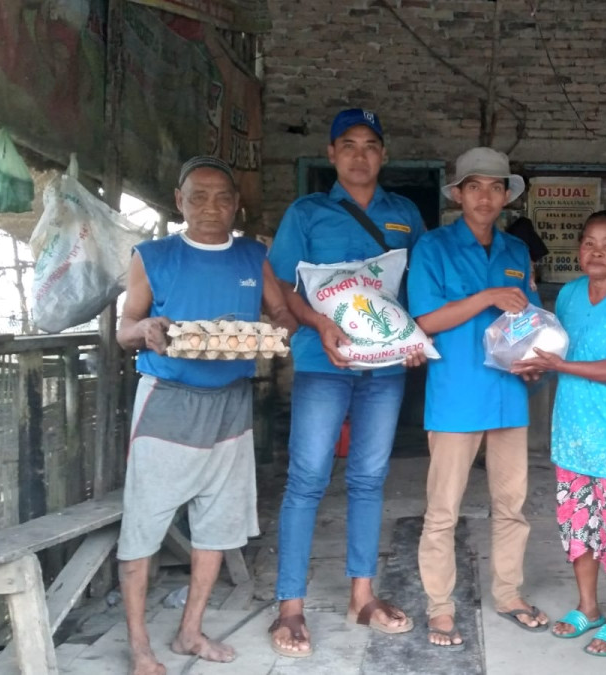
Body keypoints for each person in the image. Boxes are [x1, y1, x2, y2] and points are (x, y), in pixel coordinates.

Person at [116, 156, 297, 675]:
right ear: (179, 201)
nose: (211, 208)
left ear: (237, 204)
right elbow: (125, 327)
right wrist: (146, 330)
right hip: (168, 401)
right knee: (144, 525)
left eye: (222, 198)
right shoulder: (153, 256)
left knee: (217, 523)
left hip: (231, 402)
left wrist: (281, 330)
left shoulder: (251, 255)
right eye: (198, 197)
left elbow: (280, 310)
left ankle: (191, 631)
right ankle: (140, 648)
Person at [266, 108, 426, 658]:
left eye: (371, 145)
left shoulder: (405, 214)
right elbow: (283, 287)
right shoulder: (307, 212)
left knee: (368, 479)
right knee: (307, 479)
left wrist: (413, 339)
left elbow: (416, 291)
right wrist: (319, 322)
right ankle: (290, 606)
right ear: (332, 154)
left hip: (384, 370)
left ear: (383, 154)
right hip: (322, 364)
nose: (361, 155)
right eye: (349, 145)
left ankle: (363, 596)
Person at [407, 147, 548, 648]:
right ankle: (440, 608)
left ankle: (509, 594)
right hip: (456, 395)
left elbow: (527, 321)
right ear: (459, 195)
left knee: (512, 505)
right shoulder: (433, 248)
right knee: (443, 510)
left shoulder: (515, 252)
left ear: (506, 196)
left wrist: (534, 359)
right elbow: (424, 322)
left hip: (509, 394)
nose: (485, 197)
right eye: (475, 187)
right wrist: (487, 297)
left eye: (495, 187)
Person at [512, 209, 606, 658]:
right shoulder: (571, 296)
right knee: (578, 527)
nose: (597, 251)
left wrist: (559, 366)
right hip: (574, 434)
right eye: (590, 242)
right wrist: (538, 368)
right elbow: (556, 351)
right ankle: (586, 608)